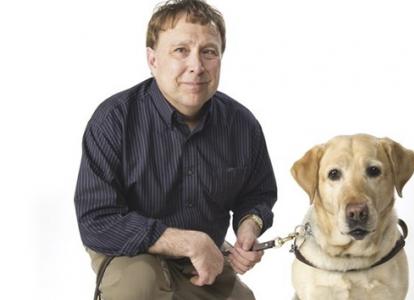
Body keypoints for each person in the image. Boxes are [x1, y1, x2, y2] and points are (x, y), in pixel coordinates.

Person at [74, 0, 277, 298]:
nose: (196, 66)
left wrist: (250, 226)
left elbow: (257, 194)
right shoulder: (114, 120)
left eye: (208, 52)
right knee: (139, 285)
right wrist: (189, 242)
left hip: (204, 261)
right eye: (181, 50)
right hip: (132, 255)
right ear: (153, 59)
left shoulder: (242, 124)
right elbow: (97, 221)